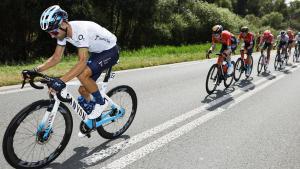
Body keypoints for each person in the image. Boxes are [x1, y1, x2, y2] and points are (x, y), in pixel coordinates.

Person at [32, 5, 119, 137]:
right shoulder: (63, 34)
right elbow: (56, 58)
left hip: (110, 51)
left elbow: (82, 61)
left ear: (64, 24)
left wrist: (61, 81)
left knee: (82, 74)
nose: (52, 36)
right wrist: (35, 70)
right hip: (98, 52)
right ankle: (93, 118)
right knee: (83, 90)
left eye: (54, 32)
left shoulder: (80, 31)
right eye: (49, 33)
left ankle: (101, 103)